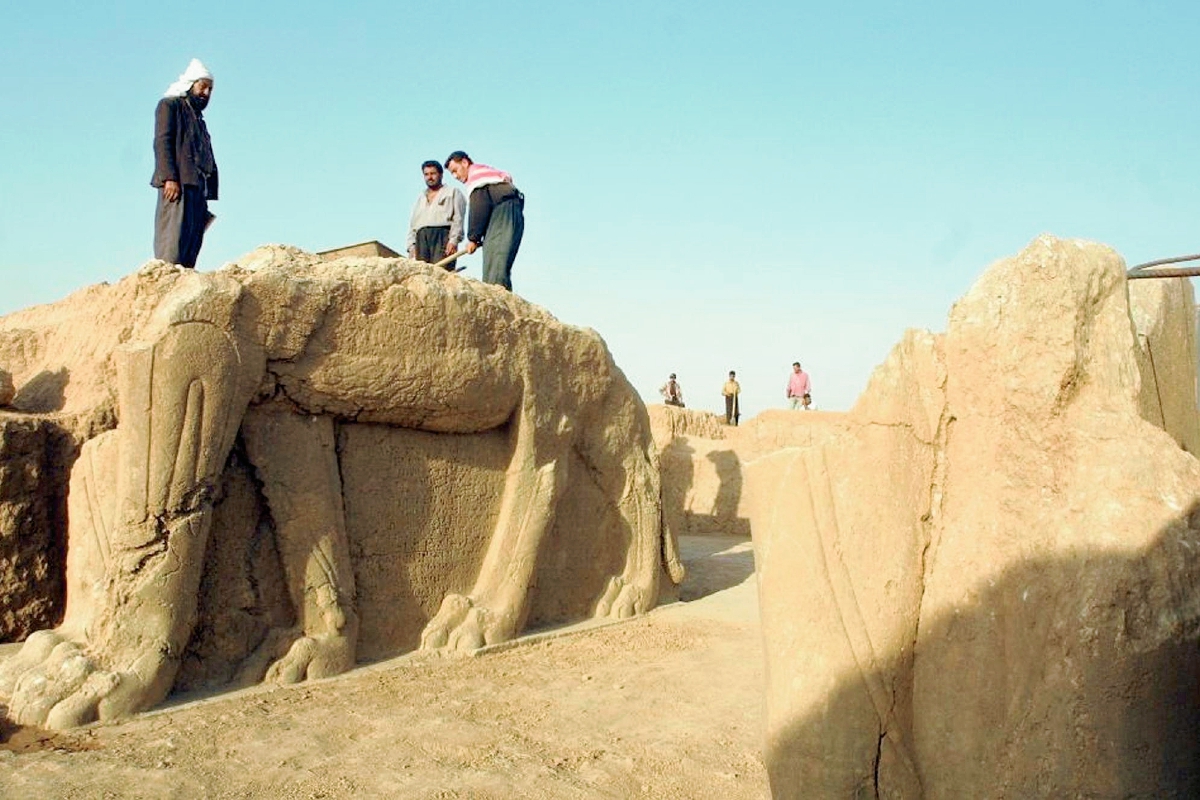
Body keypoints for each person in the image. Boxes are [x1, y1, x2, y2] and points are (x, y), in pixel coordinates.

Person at [151, 58, 218, 269]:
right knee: (172, 243)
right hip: (177, 185)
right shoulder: (170, 105)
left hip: (198, 188)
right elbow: (163, 141)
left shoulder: (198, 118)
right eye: (203, 86)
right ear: (190, 84)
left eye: (210, 89)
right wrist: (169, 177)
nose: (206, 93)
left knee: (191, 244)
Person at [444, 151, 525, 291]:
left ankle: (498, 301)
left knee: (496, 263)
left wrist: (473, 238)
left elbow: (479, 206)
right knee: (497, 262)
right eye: (452, 174)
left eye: (455, 170)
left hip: (503, 215)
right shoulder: (489, 175)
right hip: (507, 213)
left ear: (465, 162)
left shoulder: (477, 177)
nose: (455, 176)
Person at [406, 160, 466, 269]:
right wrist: (411, 246)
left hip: (442, 236)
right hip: (422, 239)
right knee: (422, 274)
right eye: (426, 174)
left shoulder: (452, 192)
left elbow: (458, 219)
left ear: (441, 175)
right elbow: (413, 225)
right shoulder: (421, 198)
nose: (430, 177)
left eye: (433, 174)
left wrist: (453, 240)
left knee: (441, 271)